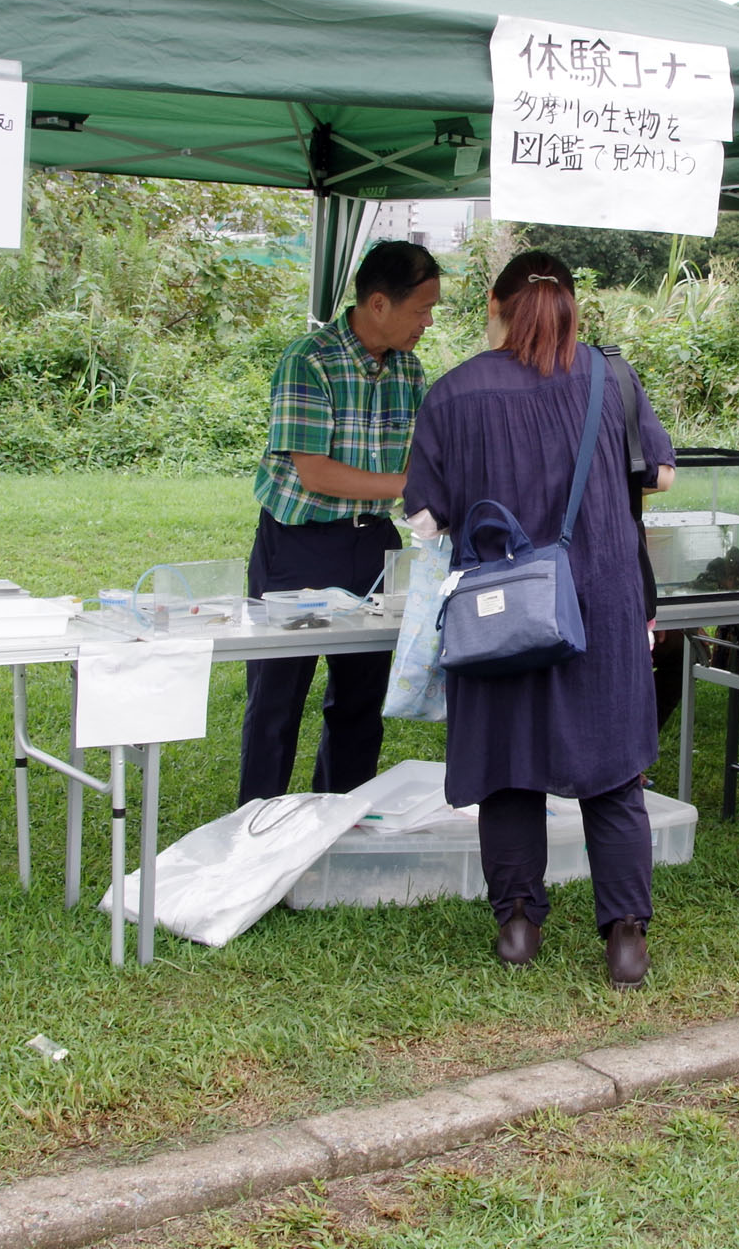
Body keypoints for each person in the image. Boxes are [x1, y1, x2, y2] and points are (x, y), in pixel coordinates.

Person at [402, 251, 676, 987]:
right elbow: (661, 473)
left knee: (507, 764)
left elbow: (425, 518)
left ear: (495, 302)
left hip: (501, 605)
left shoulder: (455, 391)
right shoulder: (611, 377)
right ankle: (625, 937)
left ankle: (518, 926)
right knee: (615, 769)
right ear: (573, 307)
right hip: (603, 603)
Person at [238, 241, 440, 805]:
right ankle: (256, 827)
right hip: (299, 546)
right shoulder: (309, 361)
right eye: (421, 309)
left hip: (374, 546)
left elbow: (416, 458)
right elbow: (316, 472)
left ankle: (339, 821)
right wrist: (411, 486)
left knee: (359, 699)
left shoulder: (409, 369)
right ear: (378, 303)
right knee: (277, 699)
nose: (427, 322)